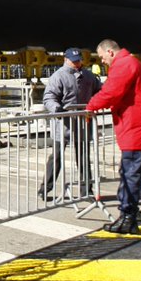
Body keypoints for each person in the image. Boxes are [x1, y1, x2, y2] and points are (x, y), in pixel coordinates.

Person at [84, 39, 141, 234]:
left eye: (102, 57)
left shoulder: (124, 65)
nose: (102, 61)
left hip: (136, 129)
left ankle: (128, 218)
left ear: (110, 52)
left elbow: (111, 92)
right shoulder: (134, 63)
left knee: (130, 174)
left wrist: (90, 106)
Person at [38, 47, 101, 201]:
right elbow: (48, 97)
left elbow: (99, 90)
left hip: (82, 123)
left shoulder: (88, 76)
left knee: (84, 158)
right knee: (56, 157)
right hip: (63, 125)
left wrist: (98, 103)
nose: (76, 63)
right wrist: (56, 109)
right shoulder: (58, 76)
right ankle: (45, 189)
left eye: (78, 60)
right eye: (73, 61)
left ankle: (87, 191)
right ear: (66, 60)